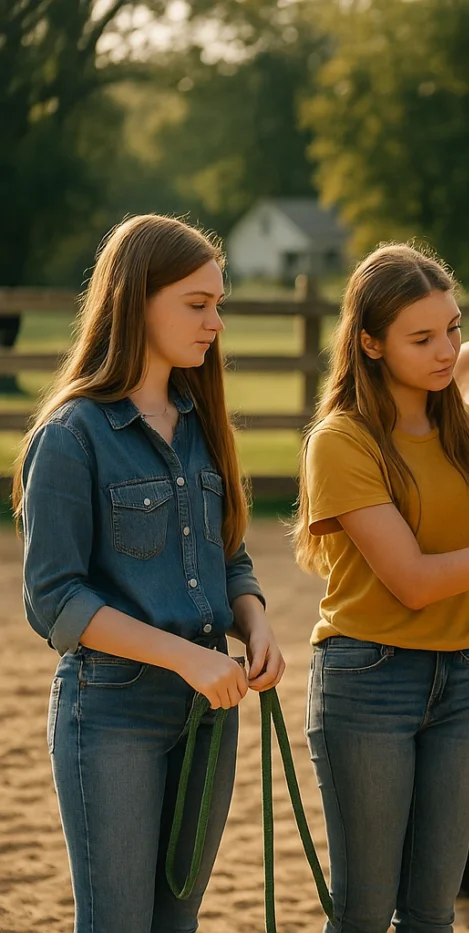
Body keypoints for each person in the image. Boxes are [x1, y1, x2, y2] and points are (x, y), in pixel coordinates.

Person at [292, 243, 469, 933]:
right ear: (371, 343)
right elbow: (416, 580)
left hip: (458, 688)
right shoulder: (341, 442)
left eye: (452, 328)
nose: (448, 349)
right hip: (368, 681)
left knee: (432, 911)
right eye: (422, 338)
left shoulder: (467, 429)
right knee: (362, 910)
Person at [17, 214, 286, 932]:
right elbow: (55, 601)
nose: (215, 323)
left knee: (178, 924)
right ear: (136, 300)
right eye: (196, 305)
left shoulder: (202, 424)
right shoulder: (70, 437)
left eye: (218, 305)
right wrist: (188, 658)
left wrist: (256, 624)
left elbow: (229, 555)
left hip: (207, 716)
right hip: (112, 714)